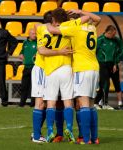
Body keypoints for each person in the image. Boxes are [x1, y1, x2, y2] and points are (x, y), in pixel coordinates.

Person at [47, 9, 101, 144]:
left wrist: (45, 25)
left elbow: (53, 30)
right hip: (95, 68)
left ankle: (86, 139)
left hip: (82, 69)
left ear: (73, 21)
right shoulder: (91, 28)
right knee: (91, 104)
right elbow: (98, 18)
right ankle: (95, 138)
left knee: (83, 104)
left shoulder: (73, 29)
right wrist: (81, 11)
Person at [31, 10, 70, 143]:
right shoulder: (46, 29)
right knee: (40, 103)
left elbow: (35, 25)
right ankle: (36, 136)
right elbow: (41, 50)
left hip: (52, 70)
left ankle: (55, 134)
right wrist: (60, 51)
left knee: (54, 102)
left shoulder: (42, 28)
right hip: (41, 68)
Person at [0, 15, 18, 107]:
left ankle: (4, 101)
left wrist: (9, 53)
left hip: (0, 61)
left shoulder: (4, 32)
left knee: (1, 81)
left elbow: (14, 42)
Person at [94, 25, 123, 110]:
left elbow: (121, 51)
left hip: (113, 64)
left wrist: (116, 63)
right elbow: (93, 52)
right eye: (113, 34)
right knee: (105, 83)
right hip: (102, 64)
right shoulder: (100, 40)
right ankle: (104, 103)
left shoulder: (116, 40)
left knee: (113, 83)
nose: (114, 36)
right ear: (108, 32)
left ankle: (96, 102)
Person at [19, 29, 36, 107]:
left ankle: (32, 104)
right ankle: (22, 103)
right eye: (32, 33)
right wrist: (21, 54)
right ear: (29, 34)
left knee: (34, 86)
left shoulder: (38, 42)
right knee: (24, 86)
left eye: (35, 34)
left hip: (34, 67)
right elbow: (22, 51)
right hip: (26, 67)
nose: (34, 35)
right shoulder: (25, 42)